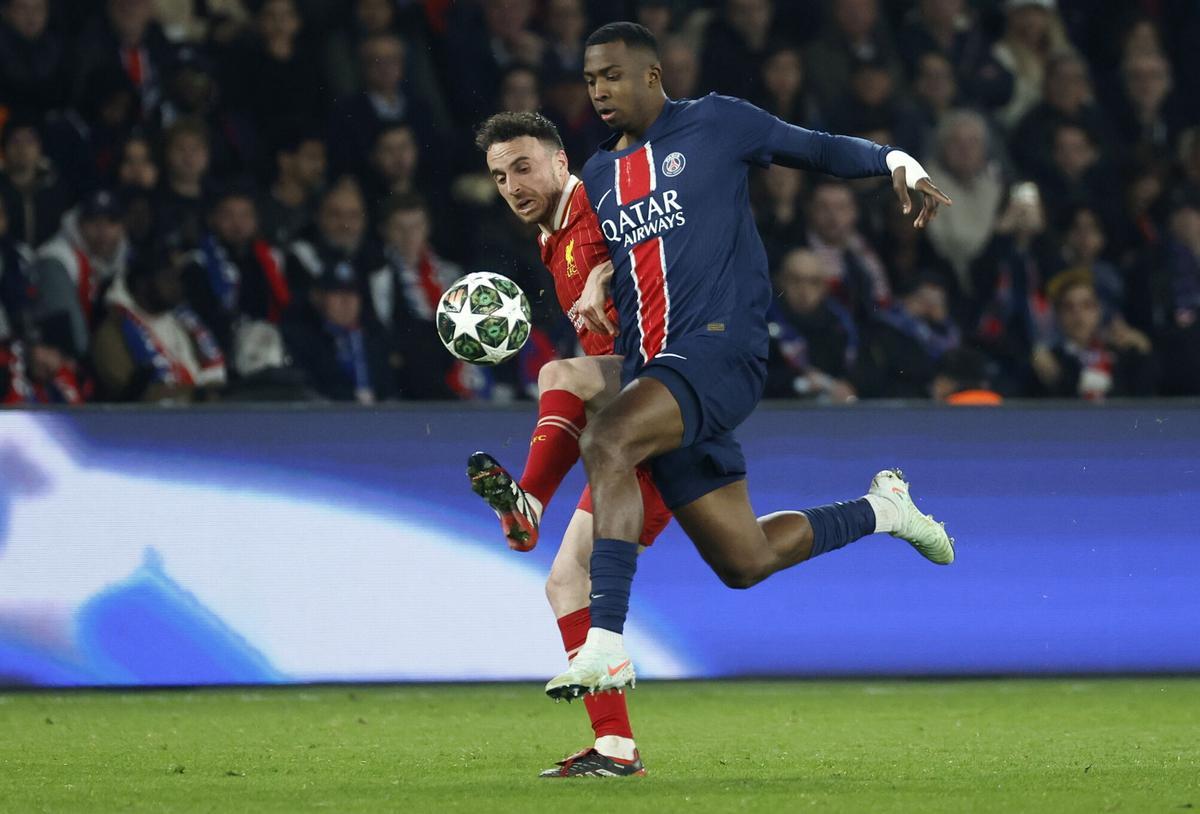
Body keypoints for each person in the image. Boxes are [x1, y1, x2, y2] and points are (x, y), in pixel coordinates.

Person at [546, 22, 955, 702]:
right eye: (590, 80)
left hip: (720, 348)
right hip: (660, 371)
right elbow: (617, 263)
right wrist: (595, 280)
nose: (599, 91)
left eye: (612, 76)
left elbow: (817, 149)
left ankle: (608, 645)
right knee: (745, 559)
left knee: (608, 437)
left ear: (652, 74)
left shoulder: (717, 123)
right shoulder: (598, 174)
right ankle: (885, 510)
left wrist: (893, 160)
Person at [468, 111, 672, 778]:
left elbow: (668, 237)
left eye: (522, 166)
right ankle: (615, 745)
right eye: (499, 175)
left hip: (671, 398)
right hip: (631, 432)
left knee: (560, 372)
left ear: (561, 162)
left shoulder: (606, 198)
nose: (512, 184)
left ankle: (528, 500)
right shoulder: (551, 238)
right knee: (563, 583)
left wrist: (603, 276)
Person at [92, 245, 227, 402]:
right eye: (168, 279)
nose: (178, 286)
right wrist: (197, 395)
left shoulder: (181, 320)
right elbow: (134, 395)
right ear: (142, 284)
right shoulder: (112, 331)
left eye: (178, 278)